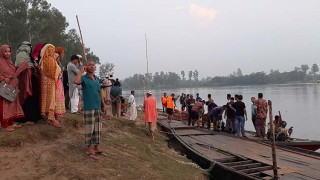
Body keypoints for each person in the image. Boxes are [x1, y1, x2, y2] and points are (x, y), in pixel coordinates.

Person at [74, 60, 107, 160]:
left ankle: (96, 147)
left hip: (97, 107)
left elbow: (100, 92)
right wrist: (81, 71)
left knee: (98, 128)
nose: (92, 66)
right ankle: (89, 147)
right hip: (88, 107)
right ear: (86, 67)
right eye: (89, 65)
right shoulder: (84, 78)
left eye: (93, 65)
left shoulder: (97, 79)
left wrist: (103, 104)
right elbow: (76, 81)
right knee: (89, 128)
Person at [0, 44, 29, 132]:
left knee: (11, 104)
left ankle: (11, 122)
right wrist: (4, 78)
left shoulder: (10, 61)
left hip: (12, 85)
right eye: (6, 51)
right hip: (4, 86)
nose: (8, 53)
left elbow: (12, 72)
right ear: (2, 52)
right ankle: (4, 125)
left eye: (9, 51)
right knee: (4, 106)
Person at [15, 41, 41, 125]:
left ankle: (33, 117)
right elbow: (19, 69)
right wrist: (28, 68)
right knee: (26, 99)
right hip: (24, 81)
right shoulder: (21, 55)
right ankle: (26, 118)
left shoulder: (28, 56)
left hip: (31, 81)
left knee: (32, 98)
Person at [39, 44, 62, 128]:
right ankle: (51, 118)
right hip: (50, 82)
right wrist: (58, 72)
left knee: (45, 98)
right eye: (51, 50)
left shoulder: (42, 60)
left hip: (45, 82)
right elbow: (52, 73)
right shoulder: (49, 60)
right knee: (51, 99)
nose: (52, 52)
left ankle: (46, 115)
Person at [54, 49, 66, 121]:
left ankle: (60, 114)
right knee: (57, 99)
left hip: (60, 83)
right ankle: (57, 115)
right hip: (56, 83)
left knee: (60, 98)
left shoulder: (59, 63)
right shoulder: (55, 64)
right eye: (62, 53)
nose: (63, 55)